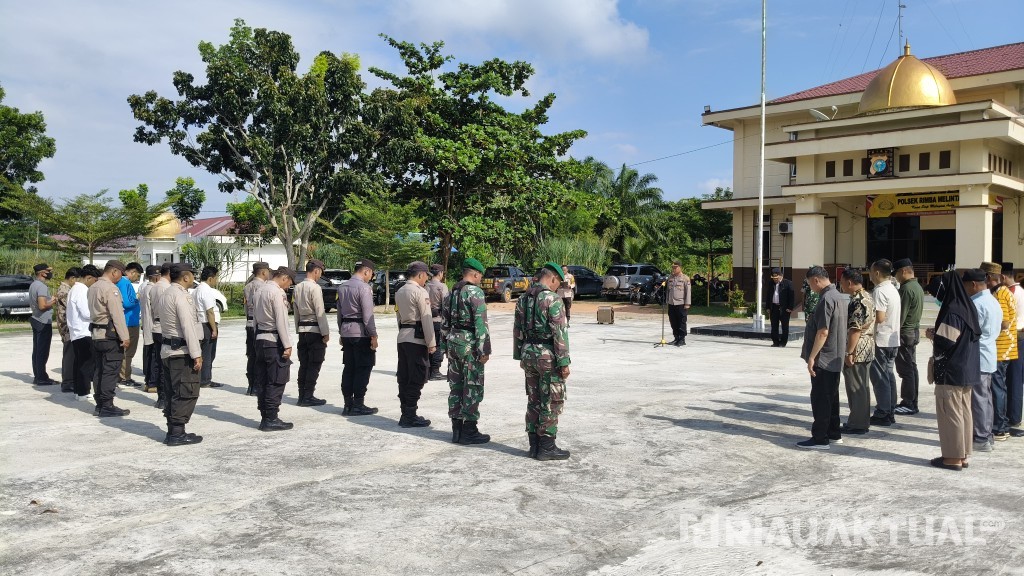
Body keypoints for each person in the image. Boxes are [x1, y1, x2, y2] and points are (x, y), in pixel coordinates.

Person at [514, 262, 571, 461]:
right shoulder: (552, 299)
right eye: (558, 283)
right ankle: (546, 446)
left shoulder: (523, 298)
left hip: (528, 352)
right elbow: (559, 332)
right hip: (547, 355)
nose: (558, 287)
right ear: (553, 278)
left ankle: (534, 445)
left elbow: (517, 330)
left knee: (534, 399)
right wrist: (563, 362)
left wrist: (519, 354)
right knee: (552, 400)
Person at [926, 270, 981, 471]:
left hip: (952, 371)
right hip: (967, 369)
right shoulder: (967, 306)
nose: (937, 298)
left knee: (950, 414)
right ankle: (963, 455)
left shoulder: (953, 310)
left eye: (936, 293)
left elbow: (947, 340)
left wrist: (932, 335)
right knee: (964, 412)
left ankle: (952, 458)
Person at [441, 257, 492, 445]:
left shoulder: (452, 292)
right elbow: (480, 324)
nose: (480, 280)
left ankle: (456, 429)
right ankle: (469, 430)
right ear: (475, 274)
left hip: (453, 341)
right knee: (472, 386)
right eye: (480, 276)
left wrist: (444, 347)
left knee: (456, 386)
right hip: (469, 344)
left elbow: (444, 323)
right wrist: (484, 349)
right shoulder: (475, 293)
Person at [797, 266, 848, 449]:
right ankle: (834, 433)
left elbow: (823, 332)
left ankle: (820, 438)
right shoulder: (839, 296)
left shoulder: (826, 298)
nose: (810, 287)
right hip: (835, 356)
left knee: (820, 398)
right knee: (831, 397)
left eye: (810, 283)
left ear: (816, 280)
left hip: (824, 358)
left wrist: (812, 357)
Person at [160, 263, 204, 446]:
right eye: (192, 275)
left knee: (173, 392)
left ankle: (173, 430)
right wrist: (196, 354)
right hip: (181, 352)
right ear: (186, 277)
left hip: (168, 350)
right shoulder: (181, 296)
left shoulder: (166, 294)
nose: (193, 278)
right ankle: (177, 433)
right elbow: (188, 326)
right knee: (186, 392)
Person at [253, 266, 297, 431]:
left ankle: (265, 416)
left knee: (263, 380)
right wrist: (287, 344)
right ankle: (271, 418)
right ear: (284, 278)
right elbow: (281, 321)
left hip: (260, 339)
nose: (288, 287)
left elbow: (254, 319)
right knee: (276, 380)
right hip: (274, 341)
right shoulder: (277, 293)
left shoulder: (259, 290)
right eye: (289, 283)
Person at [394, 261, 437, 427]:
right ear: (420, 275)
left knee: (404, 376)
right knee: (417, 376)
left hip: (403, 336)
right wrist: (431, 342)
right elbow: (426, 319)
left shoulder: (400, 290)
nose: (426, 279)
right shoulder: (420, 292)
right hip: (417, 339)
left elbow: (398, 316)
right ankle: (410, 415)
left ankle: (405, 412)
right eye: (426, 276)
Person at [87, 260, 132, 417]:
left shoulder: (93, 287)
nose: (120, 278)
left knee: (99, 369)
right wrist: (125, 337)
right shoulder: (110, 289)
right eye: (120, 274)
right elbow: (117, 315)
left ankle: (99, 404)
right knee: (110, 371)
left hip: (96, 334)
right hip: (109, 335)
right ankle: (107, 404)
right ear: (114, 272)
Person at [337, 259, 379, 416]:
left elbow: (339, 313)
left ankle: (347, 404)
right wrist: (373, 335)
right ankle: (358, 404)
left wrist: (341, 332)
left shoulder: (342, 287)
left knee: (349, 368)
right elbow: (368, 315)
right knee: (362, 368)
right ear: (366, 271)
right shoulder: (364, 288)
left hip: (347, 331)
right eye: (371, 274)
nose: (370, 277)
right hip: (361, 333)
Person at [981, 261, 1017, 442]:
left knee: (997, 388)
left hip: (1001, 348)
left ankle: (999, 427)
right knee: (998, 387)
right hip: (1003, 348)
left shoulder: (1001, 294)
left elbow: (1004, 323)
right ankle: (999, 425)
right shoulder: (1000, 292)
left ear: (989, 278)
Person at [966, 268, 1000, 454]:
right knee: (985, 397)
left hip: (978, 354)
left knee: (979, 398)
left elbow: (970, 332)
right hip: (988, 353)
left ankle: (981, 437)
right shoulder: (993, 301)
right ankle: (986, 435)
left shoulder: (977, 304)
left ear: (973, 285)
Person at [839, 269, 874, 435]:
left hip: (858, 347)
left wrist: (849, 352)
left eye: (841, 281)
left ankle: (858, 424)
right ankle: (861, 421)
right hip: (867, 345)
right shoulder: (868, 296)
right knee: (863, 386)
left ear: (849, 283)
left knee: (856, 387)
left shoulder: (857, 301)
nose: (841, 285)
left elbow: (855, 329)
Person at [869, 259, 901, 426]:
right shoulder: (893, 288)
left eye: (871, 272)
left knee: (880, 378)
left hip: (881, 339)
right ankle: (889, 410)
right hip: (892, 339)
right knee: (888, 376)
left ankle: (883, 412)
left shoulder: (880, 291)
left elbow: (879, 317)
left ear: (877, 273)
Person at [293, 259, 329, 406]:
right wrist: (325, 332)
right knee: (314, 363)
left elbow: (295, 310)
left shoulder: (297, 287)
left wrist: (298, 328)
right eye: (320, 272)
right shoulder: (315, 288)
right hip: (314, 329)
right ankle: (308, 396)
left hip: (302, 329)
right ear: (316, 271)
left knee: (304, 363)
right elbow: (320, 311)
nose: (320, 275)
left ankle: (302, 395)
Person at [892, 258, 924, 416]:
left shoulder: (906, 289)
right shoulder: (917, 286)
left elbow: (900, 316)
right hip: (914, 331)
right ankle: (913, 401)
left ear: (904, 271)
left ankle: (908, 402)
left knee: (906, 371)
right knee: (912, 368)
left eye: (897, 273)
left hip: (905, 332)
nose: (896, 277)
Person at [67, 266, 99, 402]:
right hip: (83, 332)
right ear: (88, 278)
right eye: (95, 281)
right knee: (86, 364)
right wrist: (98, 314)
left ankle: (78, 390)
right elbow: (86, 313)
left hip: (77, 331)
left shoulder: (74, 289)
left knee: (79, 363)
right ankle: (83, 391)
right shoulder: (81, 290)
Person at [1002, 263, 1024, 437]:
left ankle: (1013, 415)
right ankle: (1014, 414)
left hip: (1015, 335)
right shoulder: (1020, 291)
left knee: (1013, 377)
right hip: (1019, 334)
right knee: (1015, 377)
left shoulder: (1011, 293)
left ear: (1003, 277)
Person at [243, 262, 271, 396]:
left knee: (251, 355)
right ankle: (257, 385)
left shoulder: (248, 286)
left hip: (249, 323)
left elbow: (246, 307)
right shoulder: (264, 287)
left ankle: (251, 385)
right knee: (259, 357)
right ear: (264, 272)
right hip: (259, 324)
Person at [146, 263, 172, 405]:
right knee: (165, 365)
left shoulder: (154, 287)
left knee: (158, 362)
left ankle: (161, 397)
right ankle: (163, 397)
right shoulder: (166, 288)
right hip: (164, 327)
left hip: (156, 326)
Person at [193, 265, 222, 389]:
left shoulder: (197, 290)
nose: (216, 281)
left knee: (203, 352)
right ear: (210, 278)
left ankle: (201, 378)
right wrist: (214, 329)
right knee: (208, 353)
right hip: (207, 324)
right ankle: (205, 380)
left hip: (199, 323)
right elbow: (210, 312)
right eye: (216, 278)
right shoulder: (206, 291)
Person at [117, 262, 144, 388]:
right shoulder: (125, 283)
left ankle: (123, 375)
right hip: (129, 322)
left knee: (126, 352)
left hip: (128, 321)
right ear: (132, 272)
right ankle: (124, 377)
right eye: (137, 276)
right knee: (128, 352)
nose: (137, 279)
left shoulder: (120, 282)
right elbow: (127, 302)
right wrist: (138, 298)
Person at [29, 262, 56, 385]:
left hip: (36, 320)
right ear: (42, 273)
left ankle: (40, 375)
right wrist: (53, 300)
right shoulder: (41, 287)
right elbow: (42, 305)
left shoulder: (33, 285)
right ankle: (41, 377)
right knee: (42, 351)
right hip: (43, 321)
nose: (50, 273)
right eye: (48, 271)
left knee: (37, 350)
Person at [55, 268, 80, 393]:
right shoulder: (65, 291)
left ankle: (70, 380)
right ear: (72, 278)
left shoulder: (67, 289)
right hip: (67, 326)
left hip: (68, 325)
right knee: (69, 355)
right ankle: (68, 382)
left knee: (72, 354)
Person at [138, 265, 160, 389]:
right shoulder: (153, 290)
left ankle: (148, 381)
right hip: (153, 325)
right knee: (154, 356)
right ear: (157, 278)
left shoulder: (144, 289)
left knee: (149, 354)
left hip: (146, 324)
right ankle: (152, 383)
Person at [426, 264, 449, 381]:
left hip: (426, 320)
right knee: (438, 345)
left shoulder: (425, 286)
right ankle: (435, 371)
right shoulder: (441, 287)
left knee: (429, 344)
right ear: (440, 273)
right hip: (438, 320)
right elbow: (446, 305)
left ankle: (428, 370)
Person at [766, 267, 795, 347]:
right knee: (774, 326)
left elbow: (791, 296)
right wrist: (768, 307)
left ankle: (783, 342)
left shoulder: (788, 283)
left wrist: (790, 307)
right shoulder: (771, 283)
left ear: (781, 276)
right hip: (774, 307)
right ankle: (775, 342)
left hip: (784, 308)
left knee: (784, 326)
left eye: (776, 278)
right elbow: (768, 295)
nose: (775, 279)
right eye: (773, 278)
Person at [666, 262, 691, 346]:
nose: (674, 269)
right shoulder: (670, 278)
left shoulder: (685, 278)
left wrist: (687, 303)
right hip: (671, 303)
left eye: (675, 267)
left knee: (681, 322)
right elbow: (668, 291)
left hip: (681, 303)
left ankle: (682, 339)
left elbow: (688, 292)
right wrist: (667, 301)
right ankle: (676, 338)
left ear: (680, 267)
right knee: (673, 321)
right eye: (673, 267)